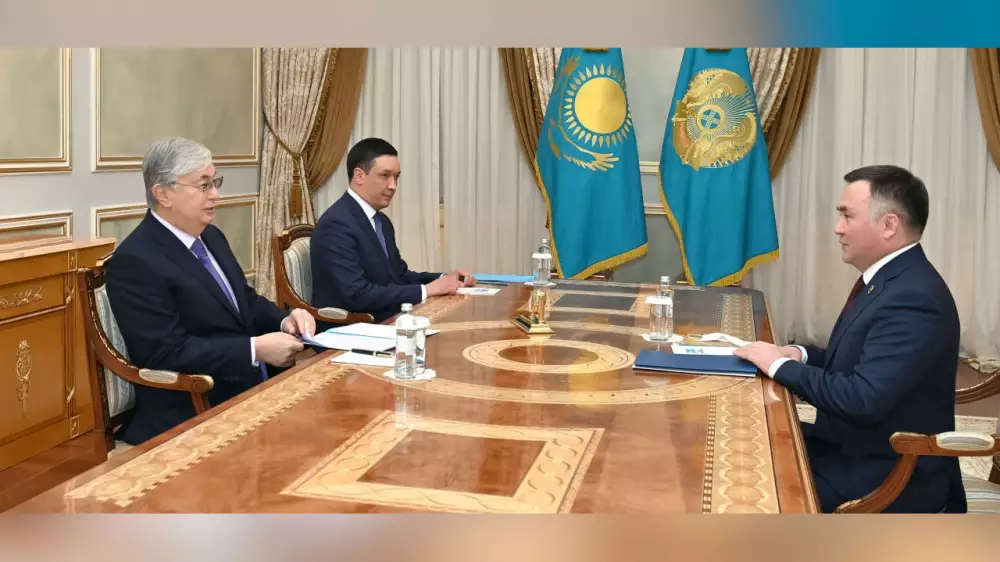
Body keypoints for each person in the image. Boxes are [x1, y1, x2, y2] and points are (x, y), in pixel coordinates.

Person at [735, 165, 965, 513]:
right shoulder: (892, 279)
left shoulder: (914, 298)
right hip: (851, 447)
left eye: (847, 216)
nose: (837, 228)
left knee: (746, 492)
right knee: (747, 440)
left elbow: (861, 398)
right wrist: (798, 355)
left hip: (890, 474)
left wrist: (779, 366)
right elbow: (856, 360)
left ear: (889, 225)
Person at [104, 137, 314, 445]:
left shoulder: (211, 236)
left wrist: (285, 320)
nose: (215, 194)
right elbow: (166, 353)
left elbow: (245, 301)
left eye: (215, 182)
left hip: (249, 387)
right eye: (203, 185)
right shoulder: (135, 261)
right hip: (194, 408)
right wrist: (253, 350)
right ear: (163, 194)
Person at [310, 137, 475, 326]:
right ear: (359, 176)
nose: (393, 186)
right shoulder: (336, 224)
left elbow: (399, 275)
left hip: (384, 319)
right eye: (385, 176)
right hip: (350, 328)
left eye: (396, 177)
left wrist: (444, 279)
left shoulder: (381, 221)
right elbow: (357, 294)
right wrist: (428, 290)